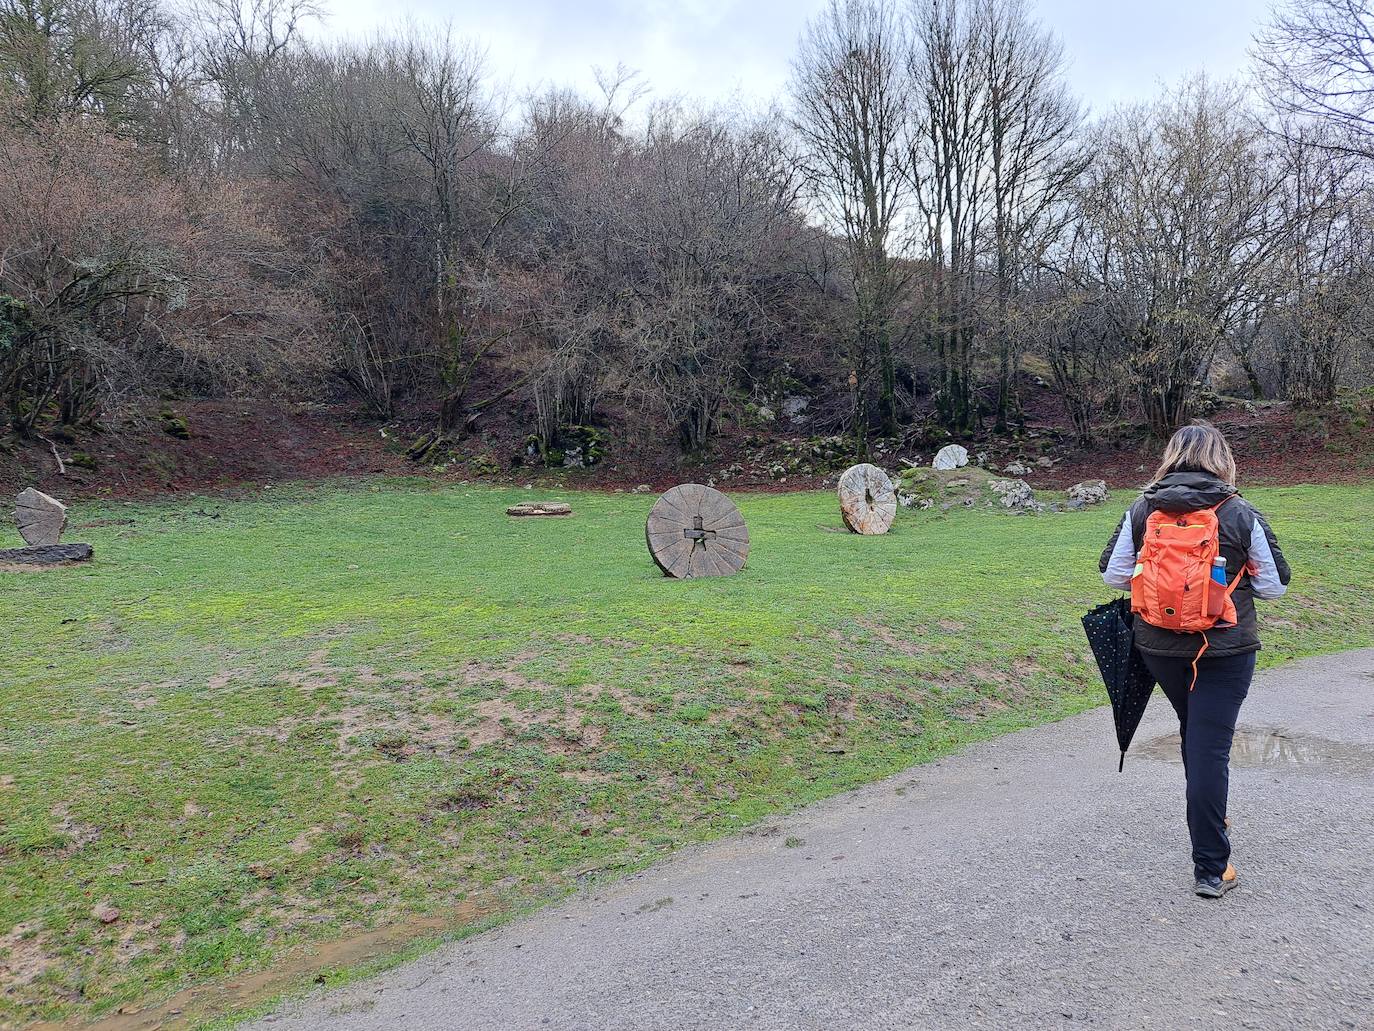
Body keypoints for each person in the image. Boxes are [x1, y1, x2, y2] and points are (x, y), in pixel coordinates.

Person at [1099, 421, 1290, 898]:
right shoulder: (1240, 512)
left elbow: (1114, 575)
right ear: (1221, 457)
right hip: (1224, 650)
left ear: (1171, 455)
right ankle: (1211, 866)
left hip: (1159, 647)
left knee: (1196, 733)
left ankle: (1209, 816)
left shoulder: (1144, 508)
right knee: (1209, 747)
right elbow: (1274, 587)